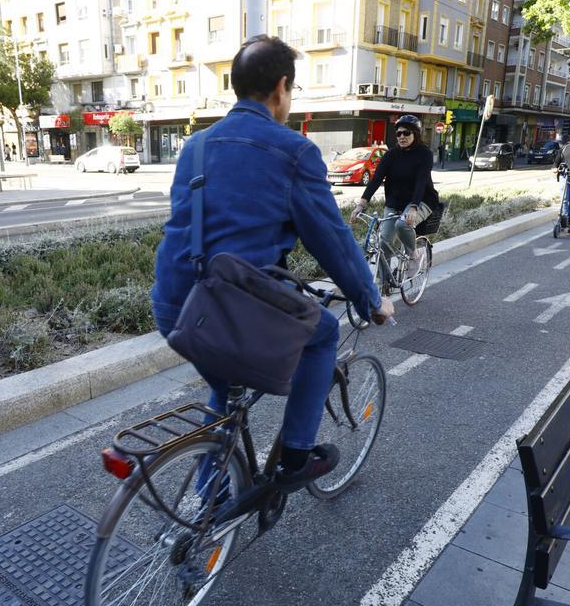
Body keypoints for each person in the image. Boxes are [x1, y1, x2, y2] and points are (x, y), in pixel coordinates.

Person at [151, 35, 393, 486]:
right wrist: (370, 299)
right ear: (282, 87)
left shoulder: (196, 147)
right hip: (234, 304)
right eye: (292, 90)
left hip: (176, 304)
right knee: (323, 333)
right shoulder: (293, 151)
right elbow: (334, 241)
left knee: (224, 386)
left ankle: (211, 504)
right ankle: (296, 456)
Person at [353, 114, 441, 291]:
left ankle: (414, 255)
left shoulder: (424, 154)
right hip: (395, 202)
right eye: (398, 133)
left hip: (421, 200)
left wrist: (414, 207)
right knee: (383, 243)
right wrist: (361, 204)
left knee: (403, 224)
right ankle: (383, 284)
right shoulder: (391, 155)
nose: (401, 136)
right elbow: (376, 179)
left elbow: (421, 181)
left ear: (415, 133)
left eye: (406, 132)